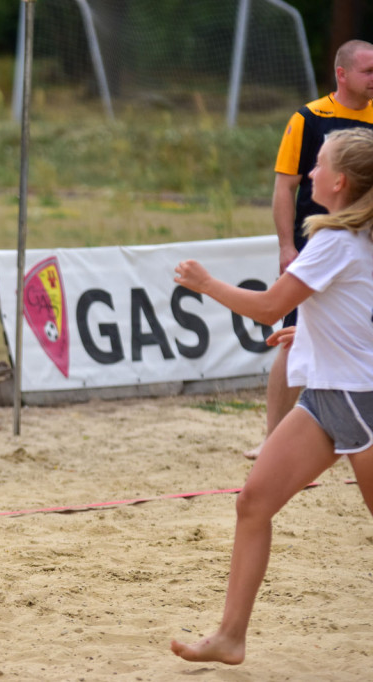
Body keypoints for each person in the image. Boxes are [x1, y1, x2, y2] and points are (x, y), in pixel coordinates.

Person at [170, 127, 373, 665]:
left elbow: (266, 307)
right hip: (329, 396)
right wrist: (307, 331)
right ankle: (230, 636)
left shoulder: (336, 239)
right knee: (253, 503)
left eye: (319, 163)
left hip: (359, 397)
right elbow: (354, 309)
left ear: (340, 181)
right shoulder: (352, 235)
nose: (309, 172)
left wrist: (205, 283)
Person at [246, 39, 373, 459]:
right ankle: (273, 439)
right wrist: (287, 246)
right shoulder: (309, 117)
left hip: (362, 246)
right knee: (291, 338)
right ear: (341, 74)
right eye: (368, 71)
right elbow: (285, 185)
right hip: (314, 245)